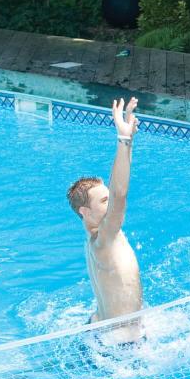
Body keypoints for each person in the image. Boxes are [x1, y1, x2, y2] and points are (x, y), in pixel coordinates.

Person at [66, 97, 144, 344]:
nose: (110, 205)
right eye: (103, 202)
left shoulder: (93, 240)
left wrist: (129, 142)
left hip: (101, 325)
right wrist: (122, 139)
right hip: (121, 344)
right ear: (84, 212)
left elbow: (115, 189)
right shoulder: (105, 239)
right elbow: (120, 195)